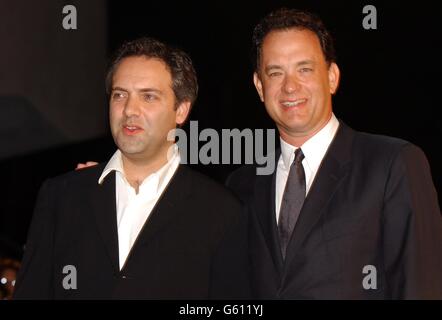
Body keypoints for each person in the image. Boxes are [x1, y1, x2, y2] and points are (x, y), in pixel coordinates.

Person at [226, 8, 442, 299]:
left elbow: (421, 286)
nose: (290, 87)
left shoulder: (393, 164)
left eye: (304, 69)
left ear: (331, 77)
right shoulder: (241, 184)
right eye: (275, 72)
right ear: (259, 86)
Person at [13, 37, 250, 299]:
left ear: (181, 110)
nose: (129, 110)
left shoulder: (222, 212)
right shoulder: (62, 196)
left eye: (148, 97)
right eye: (120, 95)